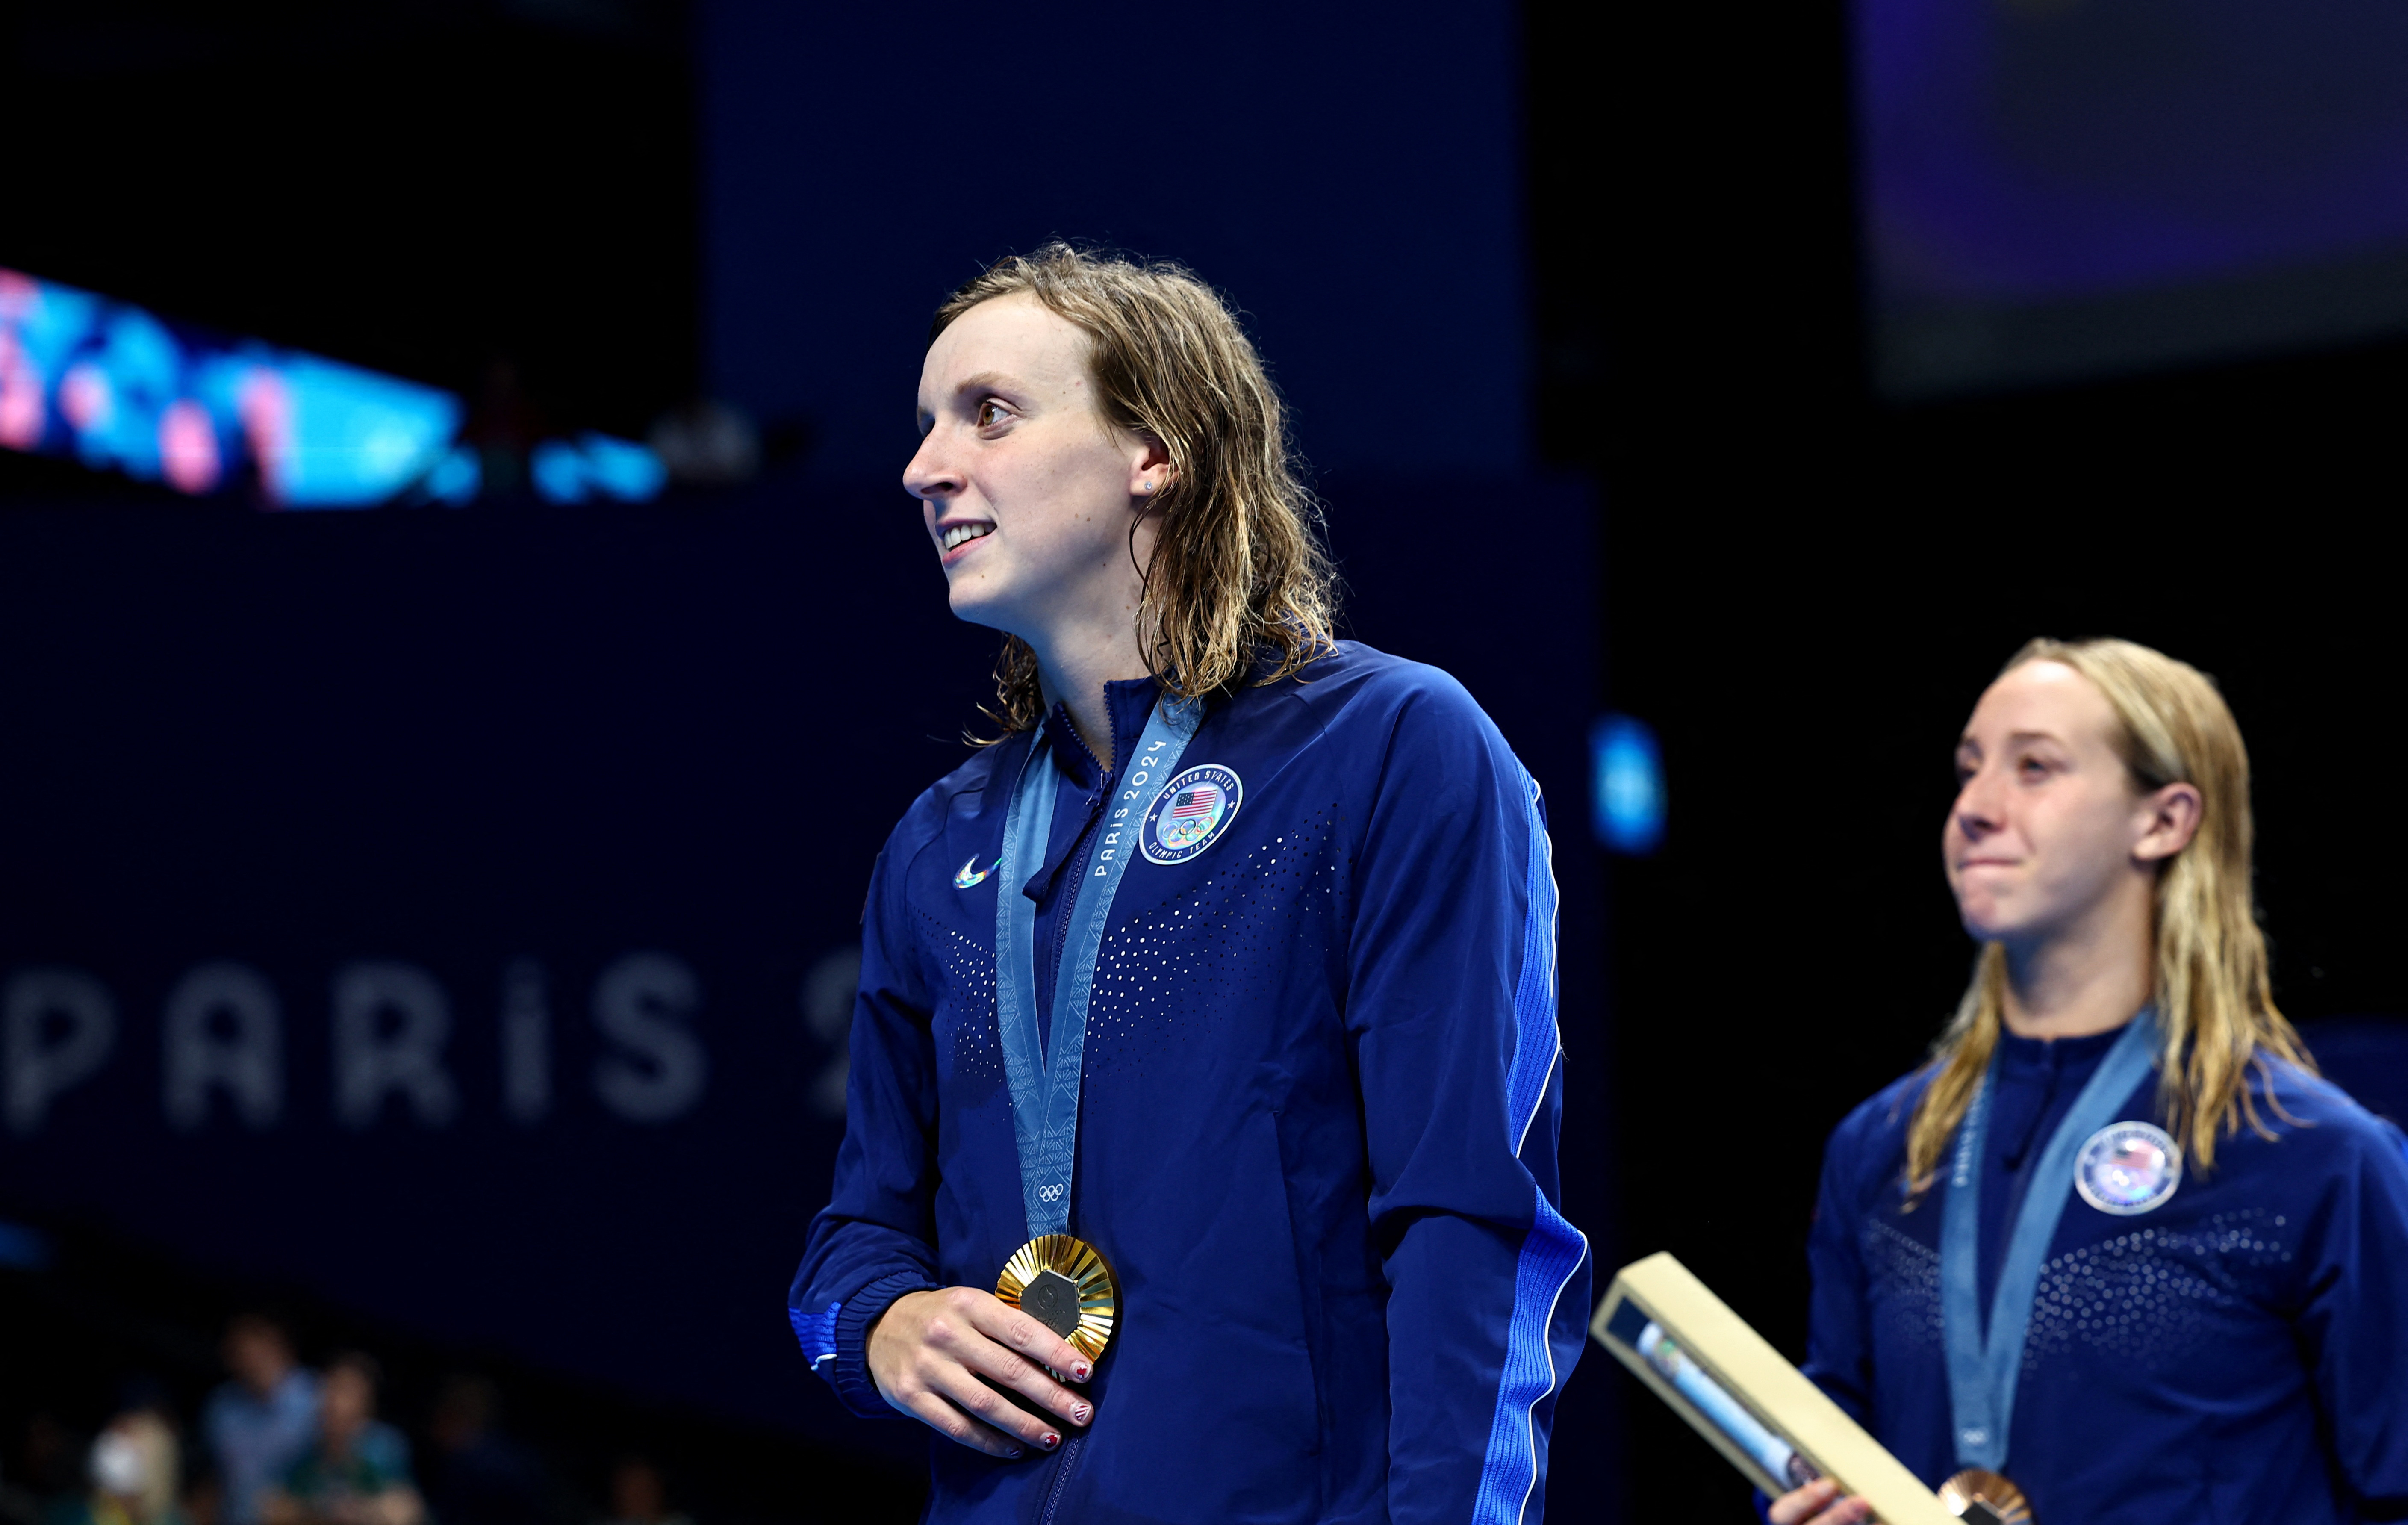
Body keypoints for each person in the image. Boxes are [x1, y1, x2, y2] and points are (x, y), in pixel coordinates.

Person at [786, 243, 1589, 1524]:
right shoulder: (936, 848)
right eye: (926, 424)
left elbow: (1467, 1227)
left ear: (1150, 450)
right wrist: (880, 1328)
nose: (926, 466)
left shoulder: (1387, 747)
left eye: (986, 413)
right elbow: (847, 1246)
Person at [1772, 639, 2408, 1525]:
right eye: (1967, 768)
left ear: (2163, 821)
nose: (1972, 808)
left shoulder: (2311, 1155)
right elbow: (1829, 1432)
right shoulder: (1881, 1146)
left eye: (2033, 767)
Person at [258, 1355, 419, 1525]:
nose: (334, 1401)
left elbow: (403, 1510)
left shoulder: (385, 1447)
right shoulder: (306, 1449)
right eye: (328, 1388)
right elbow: (276, 1508)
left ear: (367, 1401)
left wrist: (358, 1511)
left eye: (346, 1391)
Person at [200, 1316, 317, 1525]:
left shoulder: (317, 1400)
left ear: (280, 1348)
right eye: (243, 1355)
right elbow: (215, 1480)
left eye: (261, 1352)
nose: (253, 1362)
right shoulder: (222, 1409)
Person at [44, 1410, 184, 1525]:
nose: (111, 1451)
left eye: (124, 1445)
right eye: (110, 1438)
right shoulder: (68, 1514)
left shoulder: (171, 1520)